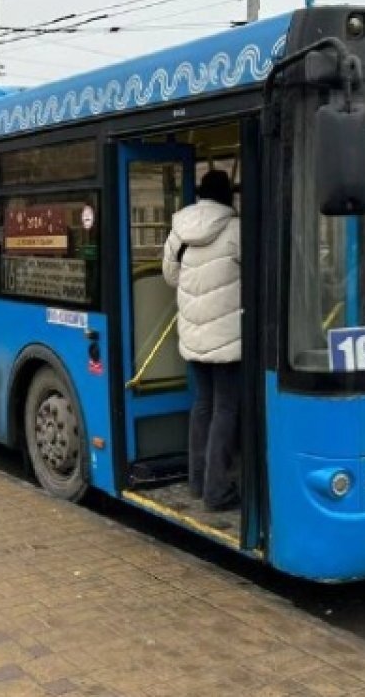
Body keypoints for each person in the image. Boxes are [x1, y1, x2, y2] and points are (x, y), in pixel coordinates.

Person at [162, 170, 241, 512]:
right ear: (228, 195)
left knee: (203, 404)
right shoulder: (237, 229)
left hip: (193, 335)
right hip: (228, 339)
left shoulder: (179, 231)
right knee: (226, 408)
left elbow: (170, 276)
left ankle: (196, 482)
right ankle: (217, 490)